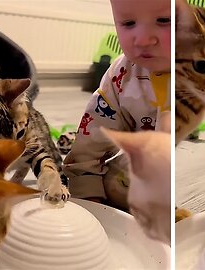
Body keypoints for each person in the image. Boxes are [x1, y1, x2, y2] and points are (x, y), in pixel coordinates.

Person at [63, 0, 171, 210]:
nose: (143, 40)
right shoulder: (121, 75)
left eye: (163, 20)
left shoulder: (199, 70)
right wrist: (87, 192)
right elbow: (90, 143)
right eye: (129, 23)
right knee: (114, 182)